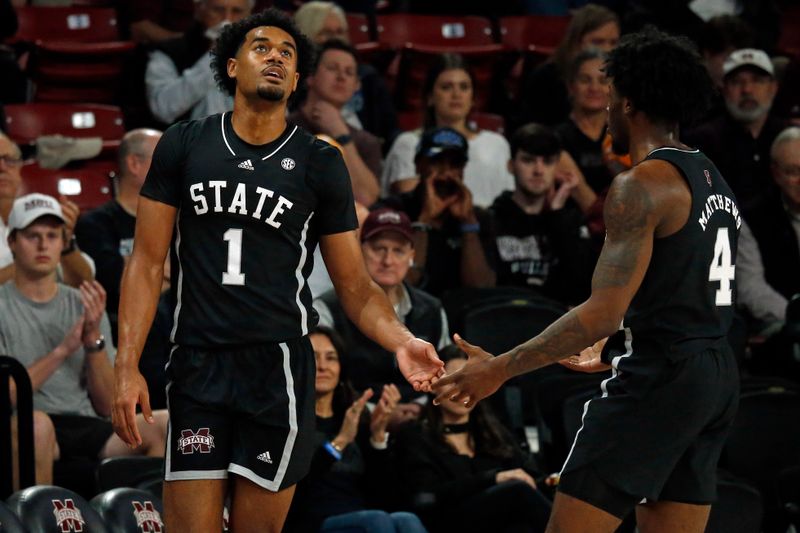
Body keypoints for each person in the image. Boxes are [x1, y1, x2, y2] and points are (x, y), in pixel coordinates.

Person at [112, 10, 444, 533]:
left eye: (287, 54)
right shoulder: (183, 143)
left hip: (279, 370)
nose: (276, 57)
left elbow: (355, 285)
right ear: (231, 67)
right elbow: (147, 262)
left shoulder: (320, 160)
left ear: (294, 80)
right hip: (198, 364)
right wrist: (127, 364)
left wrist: (400, 339)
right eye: (262, 47)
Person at [433, 28, 742, 532]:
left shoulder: (639, 185)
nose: (606, 110)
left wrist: (498, 370)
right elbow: (679, 284)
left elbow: (602, 310)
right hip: (715, 372)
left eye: (612, 97)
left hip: (662, 373)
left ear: (631, 102)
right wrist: (618, 336)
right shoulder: (710, 174)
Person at [1, 194, 168, 487]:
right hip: (26, 420)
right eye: (32, 236)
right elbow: (8, 396)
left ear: (63, 243)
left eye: (53, 235)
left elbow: (106, 406)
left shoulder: (85, 302)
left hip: (85, 423)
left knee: (164, 425)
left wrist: (93, 343)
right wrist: (63, 350)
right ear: (12, 242)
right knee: (38, 427)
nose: (43, 244)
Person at [285, 327, 428, 533]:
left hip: (362, 517)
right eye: (314, 357)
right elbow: (295, 490)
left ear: (341, 368)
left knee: (406, 520)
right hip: (312, 521)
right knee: (376, 521)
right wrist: (340, 442)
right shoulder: (288, 423)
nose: (323, 366)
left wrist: (378, 438)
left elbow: (385, 496)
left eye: (331, 358)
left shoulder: (353, 419)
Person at [396, 345, 551, 533]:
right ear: (431, 385)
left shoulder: (493, 432)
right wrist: (492, 478)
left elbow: (530, 477)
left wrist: (552, 481)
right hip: (449, 522)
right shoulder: (415, 437)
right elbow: (425, 498)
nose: (463, 387)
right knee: (517, 492)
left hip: (500, 522)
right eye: (454, 379)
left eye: (471, 379)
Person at [315, 207, 450, 402]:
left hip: (419, 418)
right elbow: (322, 378)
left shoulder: (432, 309)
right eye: (379, 249)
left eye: (398, 251)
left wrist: (420, 409)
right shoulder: (327, 308)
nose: (388, 261)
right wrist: (370, 414)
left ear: (412, 255)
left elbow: (443, 375)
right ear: (359, 249)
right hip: (353, 415)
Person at [381, 54, 515, 207]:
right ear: (430, 97)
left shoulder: (496, 144)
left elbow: (509, 201)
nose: (456, 95)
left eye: (464, 87)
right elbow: (411, 203)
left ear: (473, 98)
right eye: (446, 87)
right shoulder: (409, 144)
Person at [383, 127, 497, 297]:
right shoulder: (393, 212)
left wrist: (468, 226)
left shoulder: (479, 218)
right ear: (418, 165)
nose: (445, 174)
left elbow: (480, 288)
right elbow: (401, 283)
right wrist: (423, 222)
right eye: (437, 162)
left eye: (454, 164)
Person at [491, 123, 593, 305]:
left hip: (553, 322)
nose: (538, 170)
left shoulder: (570, 221)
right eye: (528, 160)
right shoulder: (492, 219)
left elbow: (581, 285)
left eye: (547, 162)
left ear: (557, 167)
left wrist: (557, 214)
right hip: (503, 319)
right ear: (510, 165)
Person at [75, 128, 163, 339]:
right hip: (122, 333)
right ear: (134, 164)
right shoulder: (95, 224)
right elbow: (118, 284)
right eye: (164, 158)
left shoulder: (178, 219)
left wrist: (139, 267)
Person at [683, 48, 787, 203]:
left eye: (757, 80)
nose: (747, 90)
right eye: (737, 81)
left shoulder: (791, 138)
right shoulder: (700, 142)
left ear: (773, 88)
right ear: (723, 89)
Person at [293, 1, 399, 148]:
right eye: (326, 33)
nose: (335, 38)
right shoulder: (291, 81)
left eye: (340, 32)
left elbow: (390, 133)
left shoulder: (368, 78)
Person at [289, 39, 382, 206]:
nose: (341, 77)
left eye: (349, 72)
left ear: (356, 85)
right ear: (310, 76)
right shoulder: (281, 128)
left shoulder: (367, 143)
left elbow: (365, 198)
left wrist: (341, 135)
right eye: (332, 68)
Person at [0, 132, 95, 288]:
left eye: (10, 160)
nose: (2, 167)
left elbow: (84, 283)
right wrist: (35, 262)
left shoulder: (40, 213)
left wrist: (65, 246)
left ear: (19, 169)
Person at [145, 0, 253, 126]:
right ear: (199, 10)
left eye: (237, 11)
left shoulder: (265, 56)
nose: (227, 20)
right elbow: (163, 109)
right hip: (185, 142)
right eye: (218, 10)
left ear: (249, 15)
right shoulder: (167, 53)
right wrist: (215, 56)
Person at [516, 4, 619, 130]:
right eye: (598, 42)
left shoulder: (620, 77)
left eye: (613, 43)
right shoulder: (546, 78)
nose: (607, 49)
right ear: (576, 42)